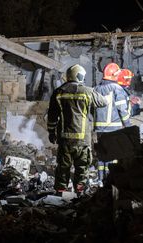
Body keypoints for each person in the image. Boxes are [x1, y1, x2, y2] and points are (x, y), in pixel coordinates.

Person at [47, 64, 109, 195]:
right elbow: (103, 102)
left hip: (64, 139)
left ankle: (60, 192)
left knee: (63, 167)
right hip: (82, 139)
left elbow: (52, 115)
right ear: (80, 76)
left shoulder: (59, 92)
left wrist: (51, 132)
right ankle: (80, 192)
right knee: (82, 167)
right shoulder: (87, 91)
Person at [93, 63, 134, 185]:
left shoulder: (96, 89)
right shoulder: (117, 89)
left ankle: (101, 180)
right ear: (114, 75)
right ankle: (110, 181)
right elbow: (122, 110)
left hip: (99, 129)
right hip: (113, 128)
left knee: (102, 155)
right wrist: (128, 126)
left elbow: (92, 109)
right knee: (113, 156)